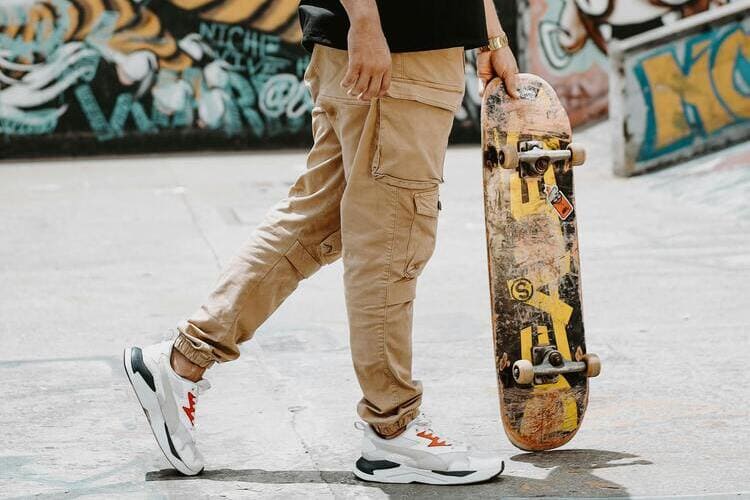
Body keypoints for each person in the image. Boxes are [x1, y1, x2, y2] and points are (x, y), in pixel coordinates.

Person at [123, 0, 519, 485]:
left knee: (319, 220)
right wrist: (368, 24)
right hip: (395, 51)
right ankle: (393, 430)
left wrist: (489, 33)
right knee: (392, 239)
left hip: (398, 46)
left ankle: (182, 359)